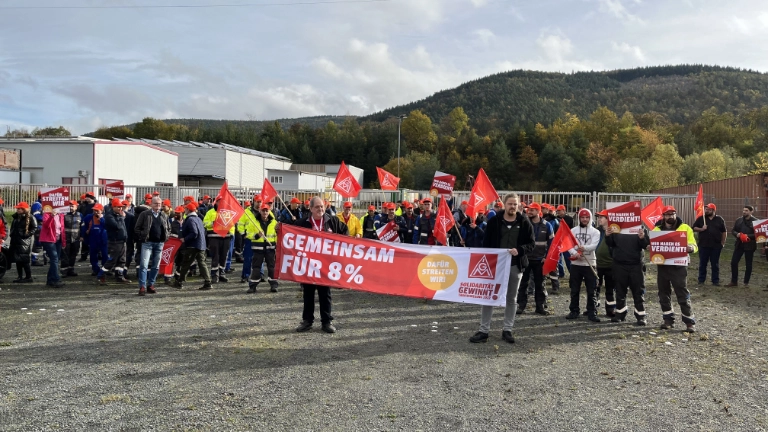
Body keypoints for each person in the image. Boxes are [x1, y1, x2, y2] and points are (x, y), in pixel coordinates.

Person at [469, 193, 535, 344]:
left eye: (515, 204)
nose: (513, 207)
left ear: (519, 206)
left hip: (515, 265)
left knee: (511, 298)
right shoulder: (494, 221)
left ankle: (507, 329)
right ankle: (484, 330)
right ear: (504, 204)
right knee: (489, 297)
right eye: (510, 204)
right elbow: (486, 243)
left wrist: (520, 250)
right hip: (495, 266)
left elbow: (531, 244)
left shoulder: (524, 222)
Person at [296, 197, 349, 334]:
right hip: (308, 265)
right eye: (317, 207)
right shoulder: (303, 223)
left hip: (326, 265)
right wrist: (279, 228)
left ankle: (327, 322)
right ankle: (307, 321)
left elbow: (345, 232)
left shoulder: (332, 221)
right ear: (311, 209)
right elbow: (289, 232)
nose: (320, 209)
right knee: (308, 294)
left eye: (322, 207)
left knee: (325, 294)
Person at [653, 205, 698, 332]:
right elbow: (652, 245)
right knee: (663, 293)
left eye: (672, 214)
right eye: (667, 214)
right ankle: (668, 320)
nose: (670, 216)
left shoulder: (685, 228)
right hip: (663, 266)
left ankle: (689, 322)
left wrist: (691, 248)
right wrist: (650, 247)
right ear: (663, 216)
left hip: (679, 266)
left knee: (682, 293)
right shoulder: (657, 230)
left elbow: (694, 244)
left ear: (675, 214)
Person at [605, 214, 650, 325]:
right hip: (619, 264)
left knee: (638, 291)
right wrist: (607, 236)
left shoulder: (640, 228)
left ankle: (640, 316)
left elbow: (646, 245)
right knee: (620, 290)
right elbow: (610, 244)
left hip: (636, 264)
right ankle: (620, 314)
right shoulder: (615, 228)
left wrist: (642, 238)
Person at [517, 203, 554, 314]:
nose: (529, 211)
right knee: (523, 283)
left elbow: (552, 244)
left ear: (538, 212)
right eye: (529, 210)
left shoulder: (547, 225)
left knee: (540, 284)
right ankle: (521, 306)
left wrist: (547, 257)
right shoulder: (524, 224)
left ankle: (540, 307)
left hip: (540, 259)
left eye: (532, 210)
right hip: (526, 259)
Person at [565, 209, 601, 322]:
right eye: (582, 217)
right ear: (579, 218)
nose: (584, 219)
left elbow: (594, 245)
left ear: (590, 218)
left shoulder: (595, 232)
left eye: (586, 217)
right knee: (574, 289)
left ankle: (592, 312)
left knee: (592, 290)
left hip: (590, 263)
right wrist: (574, 253)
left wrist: (584, 248)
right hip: (576, 264)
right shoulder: (573, 230)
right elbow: (568, 245)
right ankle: (574, 310)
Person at [134, 196, 171, 296]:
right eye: (155, 204)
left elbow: (168, 228)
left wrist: (165, 237)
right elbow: (137, 228)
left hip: (159, 243)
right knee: (144, 265)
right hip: (147, 243)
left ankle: (151, 285)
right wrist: (142, 237)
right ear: (151, 204)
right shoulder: (144, 214)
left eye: (159, 204)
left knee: (156, 266)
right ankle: (142, 286)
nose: (158, 206)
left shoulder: (164, 215)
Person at [173, 202, 212, 290]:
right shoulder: (198, 219)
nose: (184, 210)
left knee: (186, 263)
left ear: (188, 210)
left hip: (192, 245)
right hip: (201, 244)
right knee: (202, 263)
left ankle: (179, 281)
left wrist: (185, 239)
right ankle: (208, 282)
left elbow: (194, 232)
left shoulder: (190, 220)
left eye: (185, 209)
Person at [244, 202, 278, 293]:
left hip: (270, 248)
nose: (265, 213)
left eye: (266, 211)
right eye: (263, 211)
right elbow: (248, 234)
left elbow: (277, 235)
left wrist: (277, 245)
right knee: (256, 268)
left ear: (269, 211)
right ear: (260, 211)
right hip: (258, 249)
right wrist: (257, 235)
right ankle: (253, 286)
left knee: (272, 267)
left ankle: (274, 285)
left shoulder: (274, 222)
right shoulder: (253, 222)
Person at [692, 203, 727, 286]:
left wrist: (723, 242)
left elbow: (724, 231)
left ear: (713, 210)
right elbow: (693, 228)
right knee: (702, 263)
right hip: (703, 245)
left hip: (716, 245)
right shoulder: (701, 219)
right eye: (706, 209)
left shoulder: (719, 219)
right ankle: (701, 280)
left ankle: (715, 281)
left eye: (708, 209)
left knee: (715, 264)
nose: (706, 211)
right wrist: (701, 229)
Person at [100, 198, 130, 284]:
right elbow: (117, 226)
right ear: (113, 207)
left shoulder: (118, 215)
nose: (120, 209)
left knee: (122, 260)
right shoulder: (109, 216)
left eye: (121, 207)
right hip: (115, 242)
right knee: (112, 260)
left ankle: (119, 276)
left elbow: (122, 228)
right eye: (118, 207)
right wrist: (121, 217)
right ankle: (101, 276)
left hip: (121, 241)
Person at [203, 198, 233, 284]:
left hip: (226, 237)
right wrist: (213, 223)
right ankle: (214, 275)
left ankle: (221, 274)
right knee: (215, 257)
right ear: (216, 203)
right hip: (214, 237)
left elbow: (232, 224)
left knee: (224, 256)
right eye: (219, 202)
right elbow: (204, 223)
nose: (221, 203)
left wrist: (232, 233)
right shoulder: (210, 212)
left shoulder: (227, 213)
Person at [727, 205, 757, 287]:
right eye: (744, 210)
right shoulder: (739, 220)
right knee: (734, 262)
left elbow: (758, 234)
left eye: (746, 210)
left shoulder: (756, 222)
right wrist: (737, 234)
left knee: (748, 264)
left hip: (750, 245)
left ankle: (746, 282)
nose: (744, 212)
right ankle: (734, 281)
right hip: (739, 244)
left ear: (751, 211)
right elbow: (733, 230)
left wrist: (747, 236)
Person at [594, 210, 616, 317]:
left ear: (608, 219)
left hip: (610, 265)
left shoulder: (614, 231)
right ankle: (593, 307)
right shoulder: (597, 231)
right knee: (595, 287)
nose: (599, 219)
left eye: (601, 217)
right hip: (597, 264)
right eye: (599, 217)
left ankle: (610, 309)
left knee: (610, 288)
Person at [40, 205, 67, 288]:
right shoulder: (47, 214)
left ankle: (50, 280)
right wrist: (52, 216)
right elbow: (46, 225)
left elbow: (62, 229)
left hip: (58, 239)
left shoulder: (61, 215)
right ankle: (55, 279)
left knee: (56, 259)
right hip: (48, 240)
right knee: (54, 259)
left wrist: (63, 242)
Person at [10, 202, 36, 283]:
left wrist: (27, 235)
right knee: (18, 260)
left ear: (24, 209)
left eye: (19, 208)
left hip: (24, 242)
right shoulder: (16, 217)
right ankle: (20, 276)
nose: (18, 210)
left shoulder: (30, 217)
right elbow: (13, 227)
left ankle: (28, 277)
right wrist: (12, 234)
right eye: (17, 208)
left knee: (24, 260)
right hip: (15, 241)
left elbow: (35, 228)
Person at [83, 203, 109, 278]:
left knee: (105, 255)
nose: (95, 212)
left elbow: (107, 226)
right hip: (93, 239)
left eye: (97, 210)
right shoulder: (89, 217)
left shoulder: (106, 217)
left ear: (102, 210)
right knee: (93, 255)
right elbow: (84, 226)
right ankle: (95, 269)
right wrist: (85, 233)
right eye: (94, 210)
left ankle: (105, 270)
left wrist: (101, 219)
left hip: (103, 239)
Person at [60, 200, 82, 278]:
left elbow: (82, 227)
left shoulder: (80, 215)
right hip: (66, 238)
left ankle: (71, 270)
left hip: (76, 238)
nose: (70, 207)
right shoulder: (64, 215)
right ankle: (64, 271)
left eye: (72, 206)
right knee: (65, 255)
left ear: (76, 207)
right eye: (69, 206)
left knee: (73, 255)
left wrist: (81, 236)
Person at [77, 193, 96, 261]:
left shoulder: (96, 205)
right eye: (86, 197)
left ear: (92, 198)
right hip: (84, 224)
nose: (86, 198)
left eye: (88, 197)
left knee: (94, 241)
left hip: (94, 225)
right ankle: (83, 256)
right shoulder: (83, 205)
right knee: (84, 241)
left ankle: (96, 255)